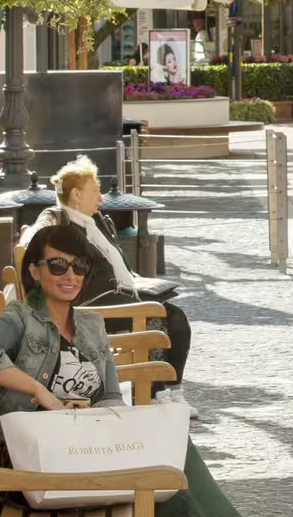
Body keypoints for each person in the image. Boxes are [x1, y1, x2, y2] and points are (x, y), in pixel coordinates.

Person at [0, 223, 293, 517]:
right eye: (58, 266)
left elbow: (109, 395)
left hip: (80, 449)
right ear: (35, 270)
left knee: (170, 447)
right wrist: (40, 391)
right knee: (158, 475)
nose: (71, 276)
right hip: (34, 464)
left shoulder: (91, 325)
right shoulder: (20, 318)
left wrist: (126, 435)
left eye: (79, 267)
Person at [22, 155, 190, 404]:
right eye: (95, 190)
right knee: (165, 317)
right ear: (77, 196)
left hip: (111, 295)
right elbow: (38, 231)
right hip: (89, 307)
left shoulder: (94, 221)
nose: (101, 197)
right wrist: (31, 238)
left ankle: (169, 392)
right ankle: (156, 394)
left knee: (173, 315)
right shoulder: (59, 221)